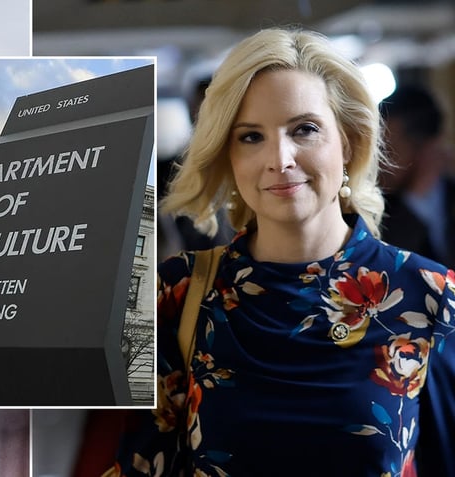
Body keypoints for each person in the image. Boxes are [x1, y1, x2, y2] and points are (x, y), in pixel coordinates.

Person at [114, 28, 455, 476]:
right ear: (228, 154)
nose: (280, 158)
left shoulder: (430, 296)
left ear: (349, 141)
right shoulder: (176, 293)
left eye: (305, 129)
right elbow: (145, 465)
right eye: (251, 136)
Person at [379, 84, 455, 268]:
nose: (380, 162)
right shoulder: (375, 205)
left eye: (387, 150)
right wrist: (415, 199)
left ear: (425, 148)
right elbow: (388, 266)